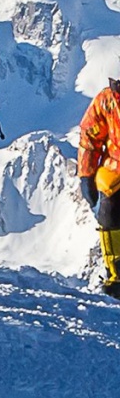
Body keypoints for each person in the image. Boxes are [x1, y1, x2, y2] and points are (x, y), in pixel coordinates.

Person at [78, 74, 120, 299]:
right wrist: (86, 174)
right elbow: (90, 138)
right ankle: (116, 274)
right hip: (116, 167)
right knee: (109, 209)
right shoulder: (107, 100)